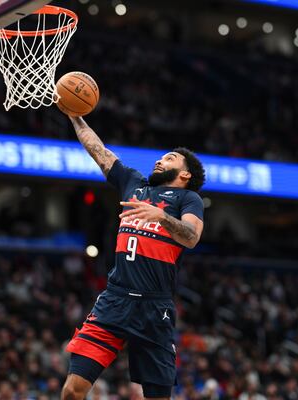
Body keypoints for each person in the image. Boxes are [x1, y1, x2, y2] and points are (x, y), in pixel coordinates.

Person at [61, 116, 206, 400]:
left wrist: (161, 216)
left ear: (185, 174)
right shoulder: (134, 184)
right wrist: (75, 117)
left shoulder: (188, 200)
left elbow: (191, 236)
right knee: (72, 391)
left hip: (154, 308)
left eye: (170, 158)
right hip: (114, 301)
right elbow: (99, 151)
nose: (160, 160)